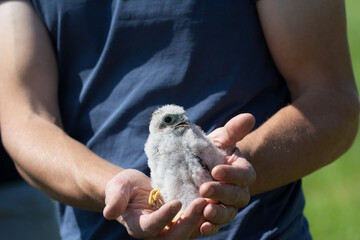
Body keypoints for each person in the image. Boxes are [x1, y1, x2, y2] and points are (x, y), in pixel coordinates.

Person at [0, 0, 358, 239]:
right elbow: (24, 120)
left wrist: (226, 169)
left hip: (258, 229)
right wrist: (113, 189)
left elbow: (332, 99)